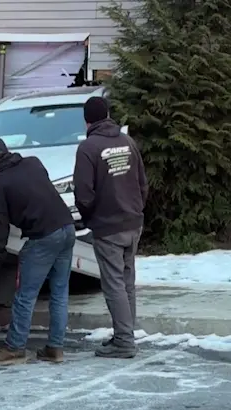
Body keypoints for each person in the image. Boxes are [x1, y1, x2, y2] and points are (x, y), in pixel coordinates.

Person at [0, 138, 76, 366]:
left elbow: (0, 225)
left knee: (25, 296)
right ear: (7, 151)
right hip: (67, 227)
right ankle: (55, 348)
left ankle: (15, 348)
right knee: (60, 293)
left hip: (43, 236)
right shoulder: (34, 163)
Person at [73, 96, 148, 359]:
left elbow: (83, 193)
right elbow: (142, 183)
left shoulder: (88, 148)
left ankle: (124, 342)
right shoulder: (127, 142)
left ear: (86, 120)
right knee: (127, 282)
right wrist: (136, 210)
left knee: (114, 284)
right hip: (132, 222)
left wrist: (90, 217)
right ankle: (124, 335)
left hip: (108, 227)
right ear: (108, 115)